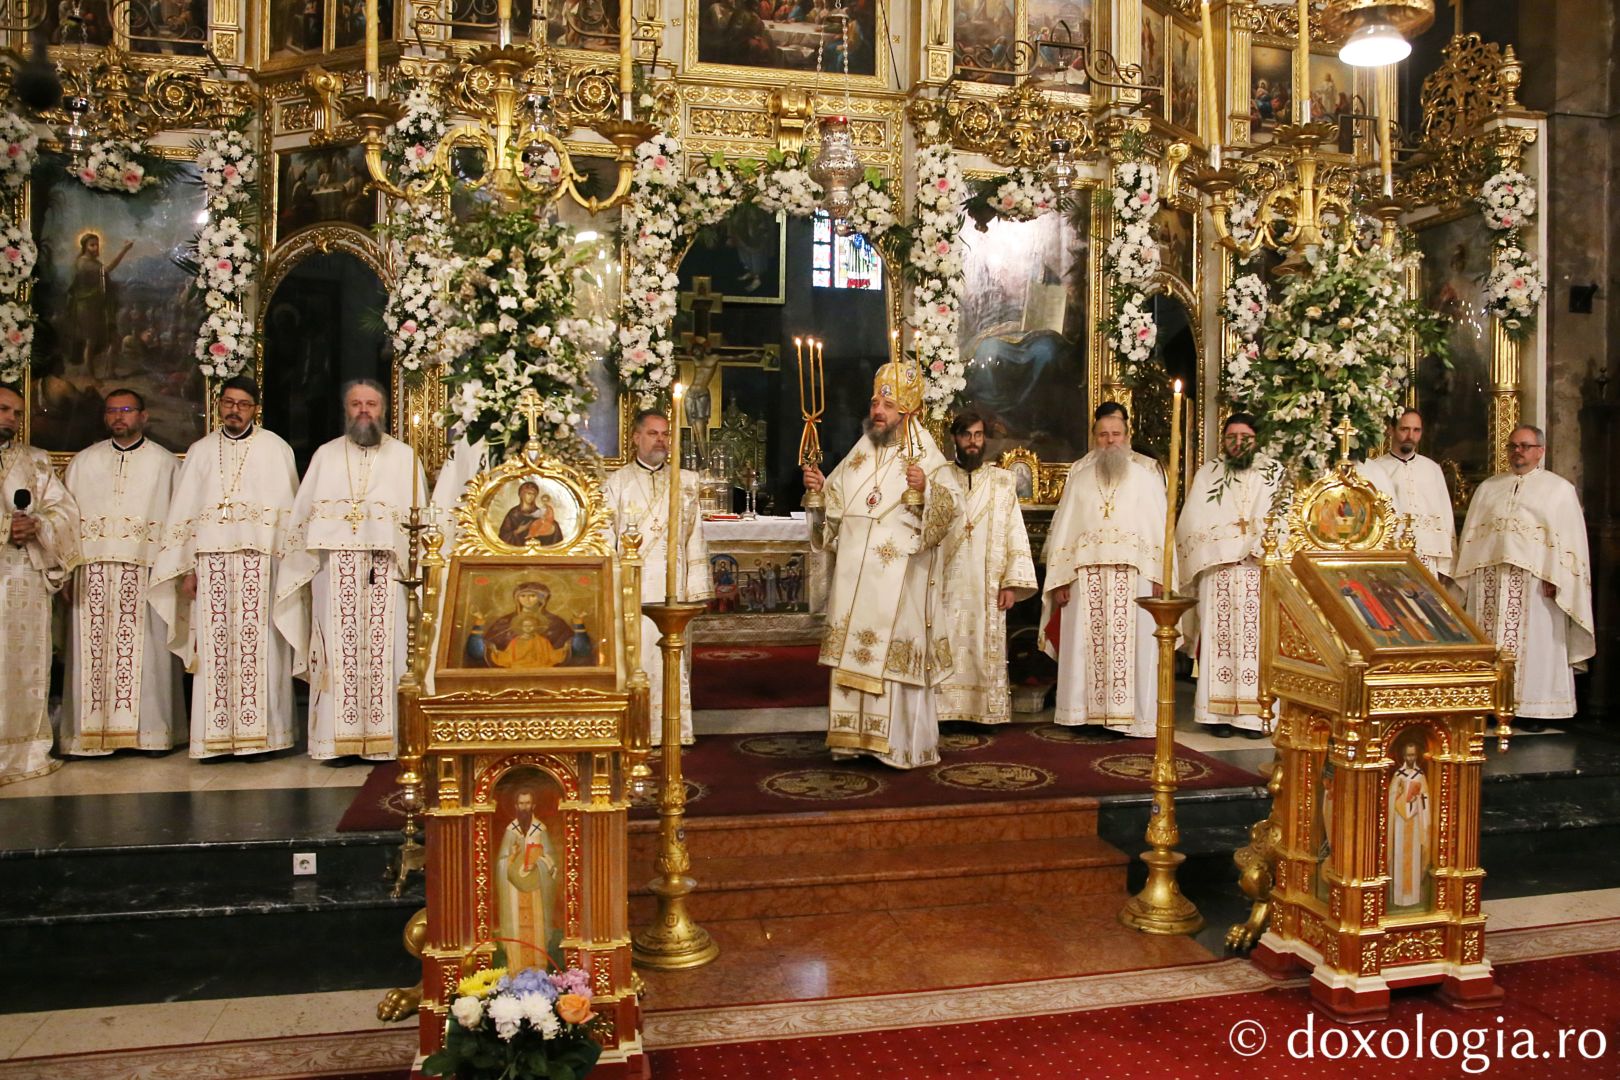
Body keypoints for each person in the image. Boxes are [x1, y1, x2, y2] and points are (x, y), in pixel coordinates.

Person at [802, 360, 962, 768]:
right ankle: (852, 740)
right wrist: (820, 494)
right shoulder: (860, 453)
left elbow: (950, 512)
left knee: (893, 659)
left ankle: (898, 746)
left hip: (901, 584)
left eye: (887, 404)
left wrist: (925, 490)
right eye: (875, 401)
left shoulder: (929, 458)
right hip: (856, 583)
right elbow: (832, 520)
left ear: (908, 411)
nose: (877, 410)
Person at [274, 379, 426, 760]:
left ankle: (385, 741)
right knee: (335, 652)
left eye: (371, 404)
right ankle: (333, 741)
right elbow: (302, 522)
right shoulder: (325, 456)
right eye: (356, 404)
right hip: (334, 569)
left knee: (386, 651)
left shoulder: (405, 457)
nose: (363, 411)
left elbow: (420, 524)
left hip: (387, 572)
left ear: (383, 409)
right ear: (346, 409)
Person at [151, 376, 301, 758]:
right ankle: (214, 739)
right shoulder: (200, 451)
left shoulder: (275, 449)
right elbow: (184, 513)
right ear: (219, 405)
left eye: (243, 404)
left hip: (260, 567)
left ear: (256, 409)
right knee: (214, 650)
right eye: (228, 402)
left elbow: (288, 518)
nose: (234, 410)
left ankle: (267, 736)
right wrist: (186, 569)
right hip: (211, 566)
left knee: (262, 647)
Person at [61, 388, 182, 755]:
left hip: (144, 572)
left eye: (127, 410)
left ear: (143, 416)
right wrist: (66, 571)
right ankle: (89, 737)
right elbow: (65, 523)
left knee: (147, 656)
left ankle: (151, 734)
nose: (119, 417)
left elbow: (179, 523)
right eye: (112, 411)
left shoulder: (166, 464)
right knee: (90, 656)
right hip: (92, 572)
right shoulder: (83, 462)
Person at [1040, 402, 1167, 737]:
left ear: (1127, 437)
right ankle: (1084, 716)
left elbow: (1157, 530)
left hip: (1134, 578)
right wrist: (1060, 581)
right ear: (1094, 439)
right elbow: (1065, 531)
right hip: (1085, 578)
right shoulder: (1079, 478)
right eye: (1103, 435)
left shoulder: (1146, 477)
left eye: (1116, 434)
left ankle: (1129, 720)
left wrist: (1159, 577)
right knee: (1084, 647)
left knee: (1133, 650)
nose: (1110, 441)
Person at [1455, 425, 1593, 729]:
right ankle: (1490, 705)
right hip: (1489, 579)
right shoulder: (1489, 487)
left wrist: (1558, 577)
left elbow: (1570, 543)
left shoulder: (1559, 490)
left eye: (1526, 446)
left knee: (1538, 645)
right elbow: (1472, 536)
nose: (1519, 452)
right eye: (1513, 446)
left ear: (1540, 451)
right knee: (1489, 643)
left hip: (1535, 583)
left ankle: (1533, 708)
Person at [602, 410, 711, 744]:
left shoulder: (687, 482)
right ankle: (637, 730)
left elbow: (695, 535)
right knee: (637, 657)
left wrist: (694, 588)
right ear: (636, 438)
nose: (661, 440)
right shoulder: (616, 483)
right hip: (633, 584)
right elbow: (606, 538)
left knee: (672, 657)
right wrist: (611, 583)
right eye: (653, 434)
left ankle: (674, 731)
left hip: (672, 582)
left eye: (665, 434)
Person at [1174, 412, 1280, 739]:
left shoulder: (1274, 472)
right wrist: (1225, 548)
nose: (1238, 444)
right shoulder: (1210, 473)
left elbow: (1283, 516)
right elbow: (1192, 523)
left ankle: (1255, 718)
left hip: (1258, 572)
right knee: (1218, 641)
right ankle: (1217, 715)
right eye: (1231, 438)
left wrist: (1257, 546)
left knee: (1256, 644)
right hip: (1218, 572)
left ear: (1256, 439)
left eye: (1244, 438)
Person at [0, 384, 79, 784]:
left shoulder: (37, 462)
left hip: (23, 581)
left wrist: (38, 525)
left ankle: (23, 753)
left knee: (22, 667)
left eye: (16, 413)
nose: (11, 420)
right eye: (3, 410)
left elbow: (64, 512)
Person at [938, 409, 1035, 725]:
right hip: (945, 585)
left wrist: (1011, 583)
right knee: (946, 642)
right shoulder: (938, 478)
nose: (972, 442)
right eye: (966, 435)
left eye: (978, 435)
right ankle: (944, 711)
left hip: (987, 585)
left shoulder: (1003, 482)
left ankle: (983, 713)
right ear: (955, 438)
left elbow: (1015, 533)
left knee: (983, 645)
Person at [1363, 409, 1457, 582]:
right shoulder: (1375, 469)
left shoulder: (1432, 469)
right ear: (1390, 430)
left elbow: (1445, 514)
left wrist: (1447, 560)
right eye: (1404, 429)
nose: (1410, 436)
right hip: (1391, 550)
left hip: (1428, 550)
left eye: (1416, 430)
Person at [497, 785, 560, 969]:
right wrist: (512, 857)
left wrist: (538, 862)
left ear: (533, 806)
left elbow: (551, 859)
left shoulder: (540, 829)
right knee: (517, 928)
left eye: (528, 803)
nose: (524, 807)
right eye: (521, 803)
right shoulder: (511, 830)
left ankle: (539, 969)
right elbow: (501, 862)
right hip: (514, 890)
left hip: (535, 889)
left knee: (536, 928)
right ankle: (515, 969)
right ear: (516, 806)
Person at [466, 581, 577, 669]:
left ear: (541, 599)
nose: (527, 600)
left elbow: (573, 650)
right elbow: (479, 651)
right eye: (522, 596)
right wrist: (480, 622)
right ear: (517, 599)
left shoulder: (556, 622)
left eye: (532, 595)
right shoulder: (504, 622)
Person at [1387, 743, 1431, 908]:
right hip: (1399, 821)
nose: (1410, 758)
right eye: (1408, 755)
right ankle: (1398, 897)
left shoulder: (1420, 775)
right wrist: (1398, 796)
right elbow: (1391, 797)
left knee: (1414, 858)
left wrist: (1417, 799)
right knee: (1399, 856)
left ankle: (1413, 897)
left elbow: (1426, 798)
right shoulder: (1399, 775)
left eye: (1413, 755)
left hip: (1415, 822)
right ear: (1403, 756)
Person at [498, 481, 563, 547]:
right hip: (517, 553)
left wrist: (552, 527)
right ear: (522, 494)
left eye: (534, 494)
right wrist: (518, 531)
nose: (531, 496)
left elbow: (554, 531)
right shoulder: (513, 514)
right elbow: (503, 536)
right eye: (529, 493)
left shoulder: (540, 513)